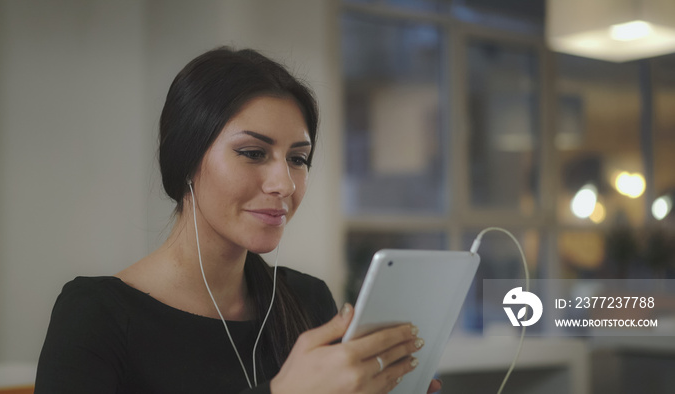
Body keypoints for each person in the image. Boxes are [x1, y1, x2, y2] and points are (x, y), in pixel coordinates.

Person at [34, 47, 442, 394]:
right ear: (187, 160)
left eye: (298, 159)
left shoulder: (307, 301)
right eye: (252, 153)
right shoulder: (96, 316)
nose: (284, 183)